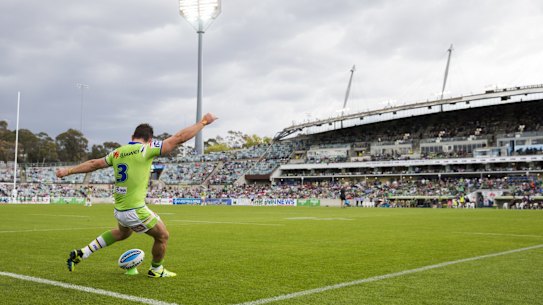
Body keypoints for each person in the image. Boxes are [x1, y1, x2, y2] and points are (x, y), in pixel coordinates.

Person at [56, 113, 218, 278]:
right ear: (150, 139)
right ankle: (156, 270)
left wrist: (67, 171)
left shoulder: (117, 152)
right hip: (134, 209)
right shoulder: (145, 149)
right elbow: (179, 138)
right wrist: (203, 122)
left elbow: (93, 164)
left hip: (120, 209)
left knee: (123, 233)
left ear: (132, 136)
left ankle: (82, 253)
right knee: (163, 236)